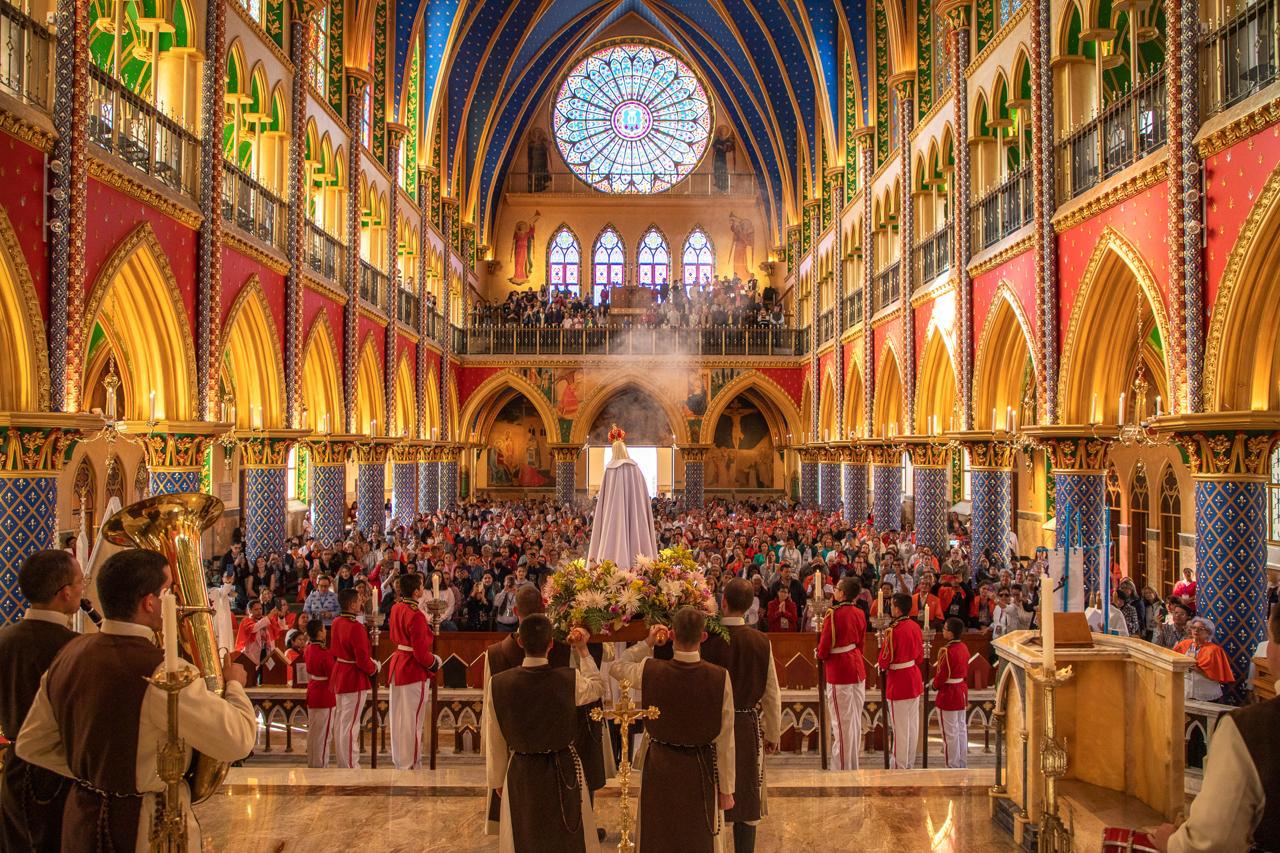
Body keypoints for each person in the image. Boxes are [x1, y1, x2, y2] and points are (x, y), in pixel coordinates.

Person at [17, 548, 255, 852]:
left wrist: (95, 774)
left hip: (81, 818)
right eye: (168, 591)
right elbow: (237, 740)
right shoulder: (164, 674)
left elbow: (32, 743)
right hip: (148, 826)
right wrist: (234, 685)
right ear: (149, 602)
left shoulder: (69, 656)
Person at [482, 585, 609, 839]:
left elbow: (492, 723)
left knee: (523, 830)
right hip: (559, 757)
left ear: (515, 611)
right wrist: (583, 646)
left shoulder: (495, 658)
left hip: (516, 758)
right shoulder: (564, 653)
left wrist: (495, 777)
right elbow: (594, 689)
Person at [1154, 604, 1280, 852]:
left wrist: (1171, 842)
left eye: (1270, 638)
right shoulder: (1185, 645)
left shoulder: (1250, 730)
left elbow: (1211, 843)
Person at [610, 608, 735, 853]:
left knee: (660, 836)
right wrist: (726, 790)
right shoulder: (720, 677)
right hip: (702, 769)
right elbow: (725, 738)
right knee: (698, 839)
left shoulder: (650, 670)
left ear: (672, 635)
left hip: (660, 766)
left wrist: (647, 642)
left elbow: (618, 666)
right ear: (703, 637)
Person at [0, 550, 82, 852]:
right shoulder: (76, 648)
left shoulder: (4, 639)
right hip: (60, 774)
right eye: (80, 583)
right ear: (65, 593)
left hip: (14, 773)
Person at [701, 579, 782, 853]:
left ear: (723, 602)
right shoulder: (761, 641)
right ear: (750, 607)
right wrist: (773, 733)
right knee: (747, 797)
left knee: (712, 795)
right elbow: (772, 692)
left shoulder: (707, 639)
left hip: (711, 726)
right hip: (746, 725)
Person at [387, 573, 442, 770]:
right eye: (421, 586)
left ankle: (401, 760)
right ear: (417, 591)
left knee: (399, 717)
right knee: (413, 719)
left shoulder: (396, 608)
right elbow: (420, 653)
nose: (423, 589)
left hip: (398, 665)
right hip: (412, 669)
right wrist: (434, 662)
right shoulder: (415, 615)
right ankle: (411, 761)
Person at [816, 577, 868, 771]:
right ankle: (851, 763)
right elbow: (861, 642)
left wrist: (820, 654)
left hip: (840, 671)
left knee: (841, 723)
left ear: (842, 594)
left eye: (836, 589)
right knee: (853, 721)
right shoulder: (860, 613)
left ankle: (843, 769)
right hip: (856, 667)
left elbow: (825, 644)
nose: (834, 592)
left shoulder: (834, 614)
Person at [330, 587, 377, 768]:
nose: (361, 603)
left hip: (341, 673)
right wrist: (374, 668)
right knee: (351, 726)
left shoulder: (336, 622)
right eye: (358, 600)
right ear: (351, 604)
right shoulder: (356, 627)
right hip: (353, 678)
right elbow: (362, 660)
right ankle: (351, 764)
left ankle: (343, 762)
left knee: (342, 722)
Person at [877, 593, 924, 769]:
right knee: (912, 726)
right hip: (913, 676)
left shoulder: (893, 630)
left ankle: (899, 765)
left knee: (900, 728)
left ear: (897, 608)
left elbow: (885, 660)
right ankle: (909, 762)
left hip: (899, 681)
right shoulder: (915, 626)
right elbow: (919, 657)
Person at [932, 617, 970, 768]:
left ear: (952, 633)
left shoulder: (947, 651)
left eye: (945, 629)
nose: (943, 631)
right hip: (961, 691)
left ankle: (952, 766)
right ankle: (962, 763)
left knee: (950, 733)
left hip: (949, 693)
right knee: (961, 729)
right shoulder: (964, 647)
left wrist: (934, 685)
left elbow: (942, 675)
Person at [1174, 617, 1235, 702]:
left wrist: (1198, 669)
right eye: (1194, 628)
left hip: (1205, 692)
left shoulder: (1214, 650)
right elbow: (1174, 663)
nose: (1196, 631)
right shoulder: (1184, 644)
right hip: (1185, 690)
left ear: (1208, 632)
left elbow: (1217, 677)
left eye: (1200, 629)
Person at [303, 618, 336, 768]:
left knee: (314, 731)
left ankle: (312, 762)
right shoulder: (324, 653)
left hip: (313, 691)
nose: (326, 632)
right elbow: (333, 675)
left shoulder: (308, 648)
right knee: (324, 734)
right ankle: (321, 765)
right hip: (324, 694)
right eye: (323, 629)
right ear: (318, 633)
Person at [234, 598, 275, 685]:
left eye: (260, 609)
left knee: (264, 672)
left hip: (265, 650)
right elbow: (254, 628)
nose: (259, 611)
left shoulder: (264, 620)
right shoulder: (246, 620)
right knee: (252, 674)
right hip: (251, 652)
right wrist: (268, 617)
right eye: (256, 609)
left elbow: (275, 630)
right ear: (250, 611)